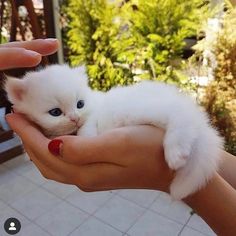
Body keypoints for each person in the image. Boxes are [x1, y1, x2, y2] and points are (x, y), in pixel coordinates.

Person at [1, 39, 236, 235]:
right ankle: (182, 125)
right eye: (55, 112)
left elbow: (89, 130)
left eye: (80, 104)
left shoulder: (101, 109)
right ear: (19, 98)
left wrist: (168, 174)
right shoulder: (47, 103)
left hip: (137, 107)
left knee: (128, 113)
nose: (74, 118)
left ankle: (179, 122)